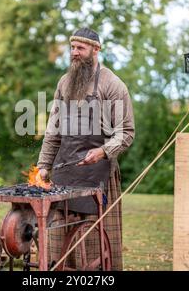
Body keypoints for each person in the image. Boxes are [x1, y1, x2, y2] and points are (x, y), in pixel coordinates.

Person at [37, 27, 135, 270]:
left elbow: (126, 133)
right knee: (58, 241)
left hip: (98, 174)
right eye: (72, 48)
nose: (74, 53)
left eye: (80, 48)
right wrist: (43, 166)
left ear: (96, 49)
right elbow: (53, 130)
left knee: (94, 244)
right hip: (65, 173)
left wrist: (103, 152)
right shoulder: (64, 82)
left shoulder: (113, 85)